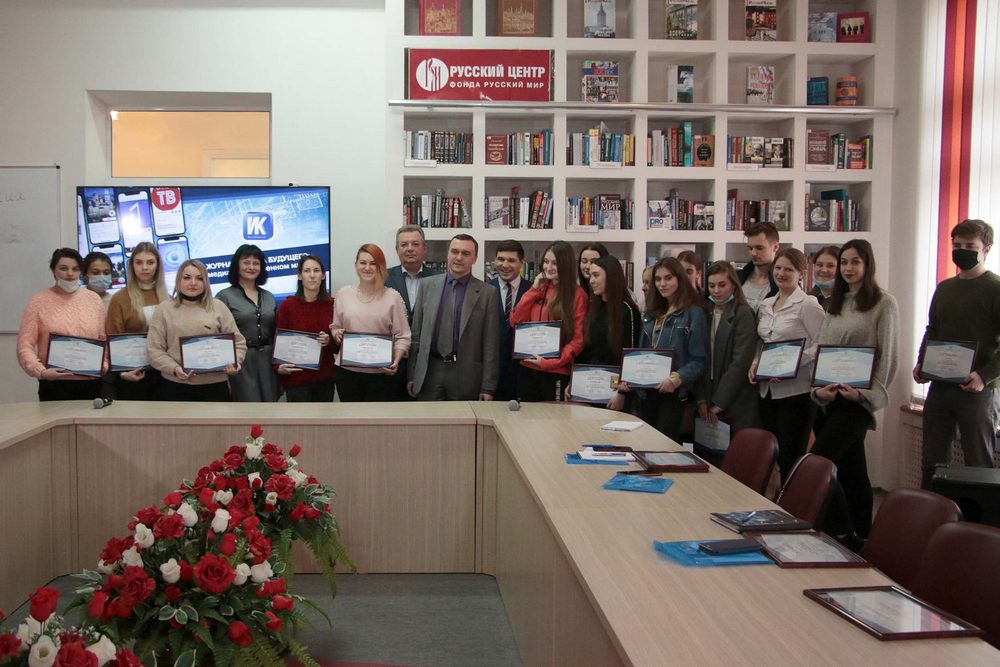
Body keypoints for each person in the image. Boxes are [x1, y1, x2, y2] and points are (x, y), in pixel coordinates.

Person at [812, 240, 898, 542]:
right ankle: (861, 536)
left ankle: (837, 528)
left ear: (867, 264)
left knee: (818, 463)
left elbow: (888, 357)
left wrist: (865, 395)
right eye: (844, 262)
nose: (848, 268)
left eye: (855, 262)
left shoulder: (884, 303)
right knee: (852, 471)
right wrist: (818, 390)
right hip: (831, 398)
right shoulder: (837, 302)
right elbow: (823, 349)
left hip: (857, 401)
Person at [915, 219, 1000, 488]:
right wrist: (921, 363)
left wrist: (984, 377)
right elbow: (932, 329)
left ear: (986, 249)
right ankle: (934, 510)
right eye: (957, 245)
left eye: (970, 246)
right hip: (940, 387)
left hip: (978, 392)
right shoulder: (944, 288)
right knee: (933, 462)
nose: (962, 251)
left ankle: (978, 516)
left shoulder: (995, 288)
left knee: (978, 463)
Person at [750, 247, 826, 482]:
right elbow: (762, 342)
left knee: (790, 456)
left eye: (789, 270)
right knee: (770, 454)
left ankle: (793, 500)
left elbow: (822, 344)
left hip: (796, 392)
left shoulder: (808, 304)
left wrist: (791, 364)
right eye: (778, 268)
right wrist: (755, 363)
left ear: (801, 273)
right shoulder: (766, 304)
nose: (781, 274)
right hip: (767, 390)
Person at [407, 234, 499, 400]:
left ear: (475, 258)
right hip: (429, 372)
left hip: (466, 375)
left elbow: (490, 345)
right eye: (454, 251)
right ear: (448, 254)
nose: (459, 257)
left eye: (466, 253)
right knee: (428, 417)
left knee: (463, 417)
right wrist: (412, 374)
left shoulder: (487, 293)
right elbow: (416, 335)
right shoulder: (427, 286)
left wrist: (488, 387)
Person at [627, 257, 708, 440]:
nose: (662, 284)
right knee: (644, 442)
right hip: (646, 391)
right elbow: (641, 352)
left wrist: (677, 378)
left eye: (668, 278)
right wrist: (630, 376)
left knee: (664, 445)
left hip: (673, 392)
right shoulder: (651, 313)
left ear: (680, 278)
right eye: (658, 279)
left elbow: (699, 360)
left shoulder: (694, 313)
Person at [147, 259, 246, 402]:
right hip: (175, 385)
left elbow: (239, 343)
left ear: (206, 282)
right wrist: (174, 368)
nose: (193, 283)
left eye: (199, 278)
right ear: (178, 280)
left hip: (215, 386)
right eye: (187, 277)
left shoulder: (218, 307)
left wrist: (235, 362)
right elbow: (154, 350)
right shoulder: (164, 309)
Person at [17, 248, 106, 401]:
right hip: (54, 384)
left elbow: (103, 338)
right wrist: (41, 372)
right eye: (63, 268)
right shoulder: (38, 301)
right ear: (54, 271)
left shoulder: (94, 300)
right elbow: (24, 346)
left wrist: (103, 365)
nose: (70, 273)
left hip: (91, 383)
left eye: (75, 269)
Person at [331, 244, 411, 402]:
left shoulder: (393, 297)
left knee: (378, 418)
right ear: (356, 265)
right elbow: (335, 327)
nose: (367, 268)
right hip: (347, 373)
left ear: (380, 266)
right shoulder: (343, 295)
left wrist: (395, 361)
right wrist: (337, 333)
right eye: (363, 263)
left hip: (381, 374)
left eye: (373, 263)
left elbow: (403, 336)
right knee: (350, 417)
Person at [509, 240, 588, 402]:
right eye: (546, 261)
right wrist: (533, 290)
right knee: (525, 416)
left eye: (555, 263)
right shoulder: (537, 288)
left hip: (556, 371)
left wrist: (551, 363)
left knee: (553, 417)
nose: (548, 267)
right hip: (527, 367)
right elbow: (515, 321)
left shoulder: (578, 295)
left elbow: (578, 340)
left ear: (565, 265)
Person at [696, 261, 761, 434]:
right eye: (711, 286)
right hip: (707, 389)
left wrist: (720, 402)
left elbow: (740, 363)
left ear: (733, 285)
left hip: (734, 396)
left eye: (722, 285)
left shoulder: (743, 313)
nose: (716, 291)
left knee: (734, 446)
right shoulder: (705, 311)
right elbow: (698, 356)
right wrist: (701, 399)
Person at [105, 241, 171, 400]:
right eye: (139, 262)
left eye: (150, 262)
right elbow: (113, 337)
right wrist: (123, 372)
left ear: (158, 265)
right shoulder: (120, 299)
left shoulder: (168, 298)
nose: (145, 268)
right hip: (134, 374)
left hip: (165, 374)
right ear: (132, 266)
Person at [216, 244, 279, 402]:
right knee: (246, 407)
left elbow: (276, 331)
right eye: (246, 262)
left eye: (256, 263)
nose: (251, 267)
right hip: (241, 362)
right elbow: (219, 335)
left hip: (268, 361)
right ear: (237, 265)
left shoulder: (269, 297)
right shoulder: (223, 297)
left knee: (271, 406)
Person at [384, 225, 439, 399]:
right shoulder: (383, 278)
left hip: (427, 363)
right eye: (404, 244)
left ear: (424, 248)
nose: (409, 249)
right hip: (391, 361)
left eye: (415, 244)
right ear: (396, 249)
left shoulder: (439, 279)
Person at [580, 255, 641, 409]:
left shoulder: (628, 310)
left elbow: (631, 356)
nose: (591, 281)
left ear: (611, 276)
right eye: (590, 276)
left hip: (616, 389)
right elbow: (588, 351)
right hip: (593, 384)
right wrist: (575, 382)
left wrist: (621, 393)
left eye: (596, 275)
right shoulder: (594, 307)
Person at [274, 254, 335, 402]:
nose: (312, 275)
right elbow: (277, 341)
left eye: (316, 270)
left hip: (324, 379)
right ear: (300, 276)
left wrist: (329, 341)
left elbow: (339, 346)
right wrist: (277, 367)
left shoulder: (333, 305)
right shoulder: (287, 306)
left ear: (323, 276)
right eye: (307, 271)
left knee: (324, 417)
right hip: (296, 379)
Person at [487, 240, 530, 401]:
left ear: (521, 263)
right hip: (492, 372)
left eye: (511, 260)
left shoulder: (533, 291)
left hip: (523, 373)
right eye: (500, 259)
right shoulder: (483, 290)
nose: (504, 265)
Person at [739, 222, 780, 312]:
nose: (753, 253)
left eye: (759, 248)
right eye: (750, 248)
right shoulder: (737, 278)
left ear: (775, 247)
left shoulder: (782, 283)